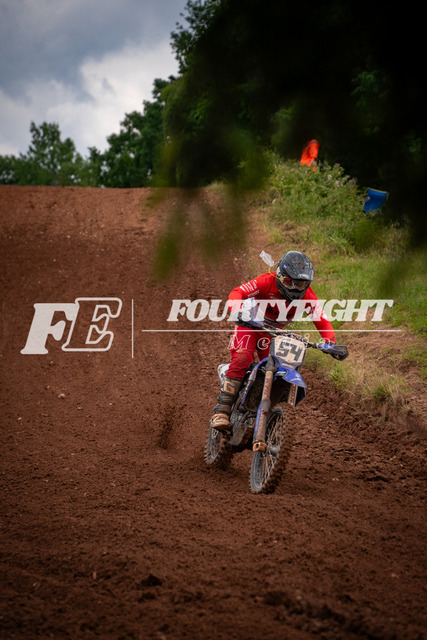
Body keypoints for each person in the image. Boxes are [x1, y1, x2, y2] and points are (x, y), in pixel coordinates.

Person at [211, 250, 336, 431]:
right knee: (243, 357)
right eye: (289, 281)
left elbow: (322, 320)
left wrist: (330, 342)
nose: (294, 288)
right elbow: (238, 292)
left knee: (276, 369)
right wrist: (237, 310)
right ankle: (222, 410)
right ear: (280, 276)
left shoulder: (308, 296)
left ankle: (262, 416)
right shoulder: (266, 281)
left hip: (272, 333)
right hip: (250, 323)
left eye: (300, 284)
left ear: (308, 283)